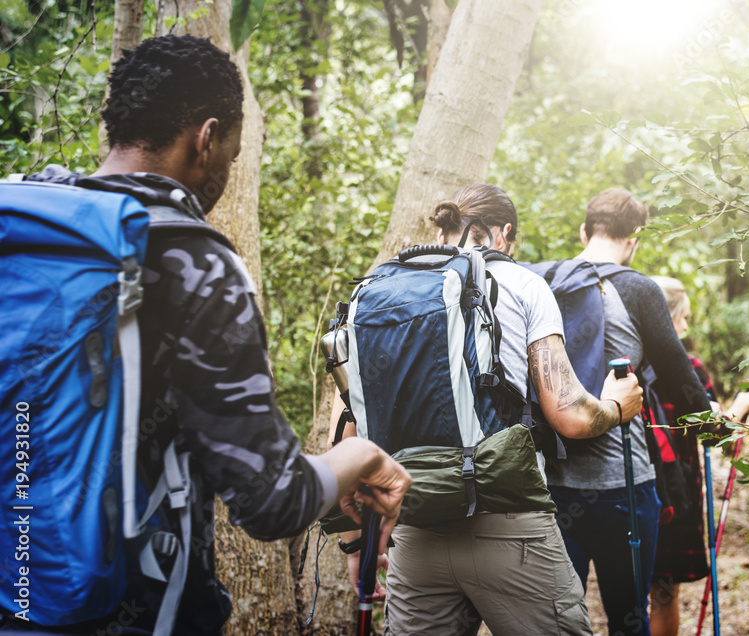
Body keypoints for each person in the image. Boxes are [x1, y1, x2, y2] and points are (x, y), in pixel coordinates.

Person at [0, 35, 411, 635]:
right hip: (134, 612)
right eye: (233, 154)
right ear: (207, 138)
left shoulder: (28, 233)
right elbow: (273, 501)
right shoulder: (195, 262)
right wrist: (360, 456)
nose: (225, 170)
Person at [330, 183, 645, 636]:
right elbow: (570, 414)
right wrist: (617, 405)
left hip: (415, 527)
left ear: (442, 230)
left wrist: (355, 545)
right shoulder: (522, 284)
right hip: (509, 525)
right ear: (505, 235)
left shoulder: (384, 289)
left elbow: (350, 429)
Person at [542, 188, 714, 636]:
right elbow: (680, 375)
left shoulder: (544, 282)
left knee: (560, 618)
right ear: (634, 239)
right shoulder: (638, 289)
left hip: (553, 482)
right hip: (625, 487)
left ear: (584, 231)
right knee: (628, 618)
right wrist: (715, 424)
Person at [646, 277, 749, 636]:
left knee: (633, 593)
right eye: (683, 318)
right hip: (673, 496)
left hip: (626, 491)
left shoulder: (621, 364)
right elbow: (715, 434)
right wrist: (740, 407)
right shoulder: (688, 369)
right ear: (667, 319)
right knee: (663, 594)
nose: (685, 326)